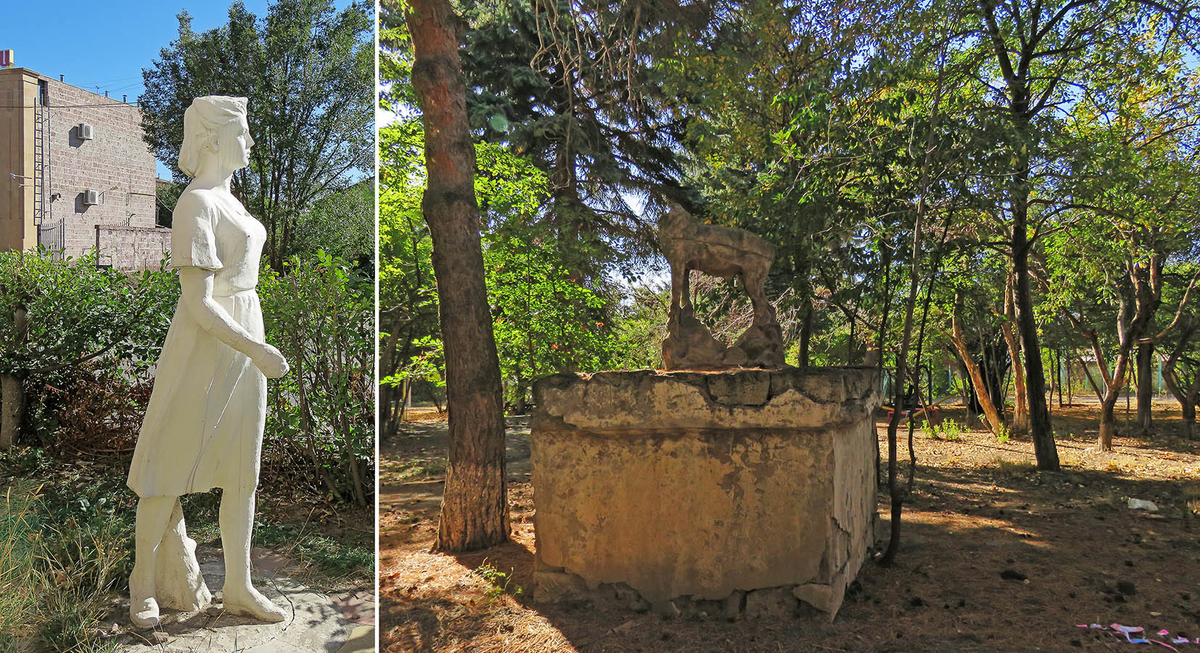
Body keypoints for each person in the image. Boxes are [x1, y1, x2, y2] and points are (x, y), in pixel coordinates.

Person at [126, 95, 289, 629]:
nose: (249, 142)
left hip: (245, 326)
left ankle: (239, 585)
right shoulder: (194, 204)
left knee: (244, 471)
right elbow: (199, 302)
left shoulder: (232, 201)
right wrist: (258, 350)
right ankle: (142, 583)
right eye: (241, 134)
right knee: (167, 465)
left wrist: (254, 346)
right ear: (215, 139)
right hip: (205, 343)